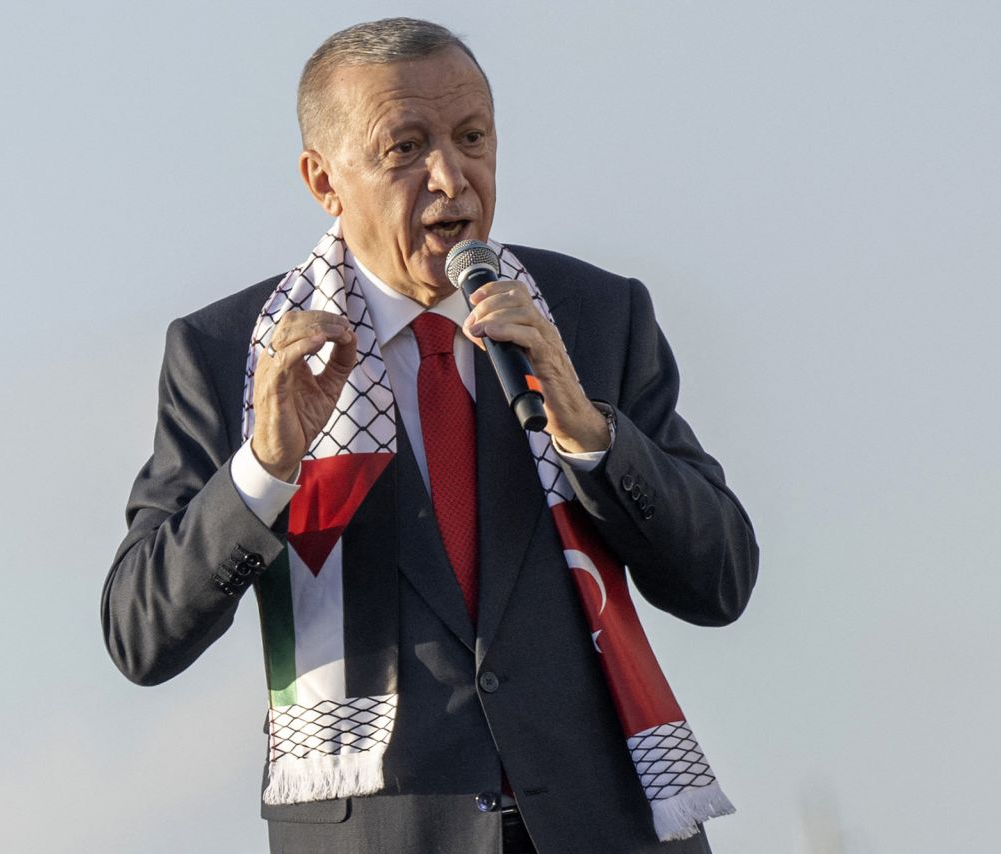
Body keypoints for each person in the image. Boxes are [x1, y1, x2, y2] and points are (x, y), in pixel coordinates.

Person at [101, 17, 758, 854]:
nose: (452, 177)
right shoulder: (232, 350)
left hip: (606, 829)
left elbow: (722, 580)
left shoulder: (591, 315)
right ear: (323, 180)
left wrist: (590, 432)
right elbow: (140, 632)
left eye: (472, 137)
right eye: (405, 147)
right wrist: (264, 470)